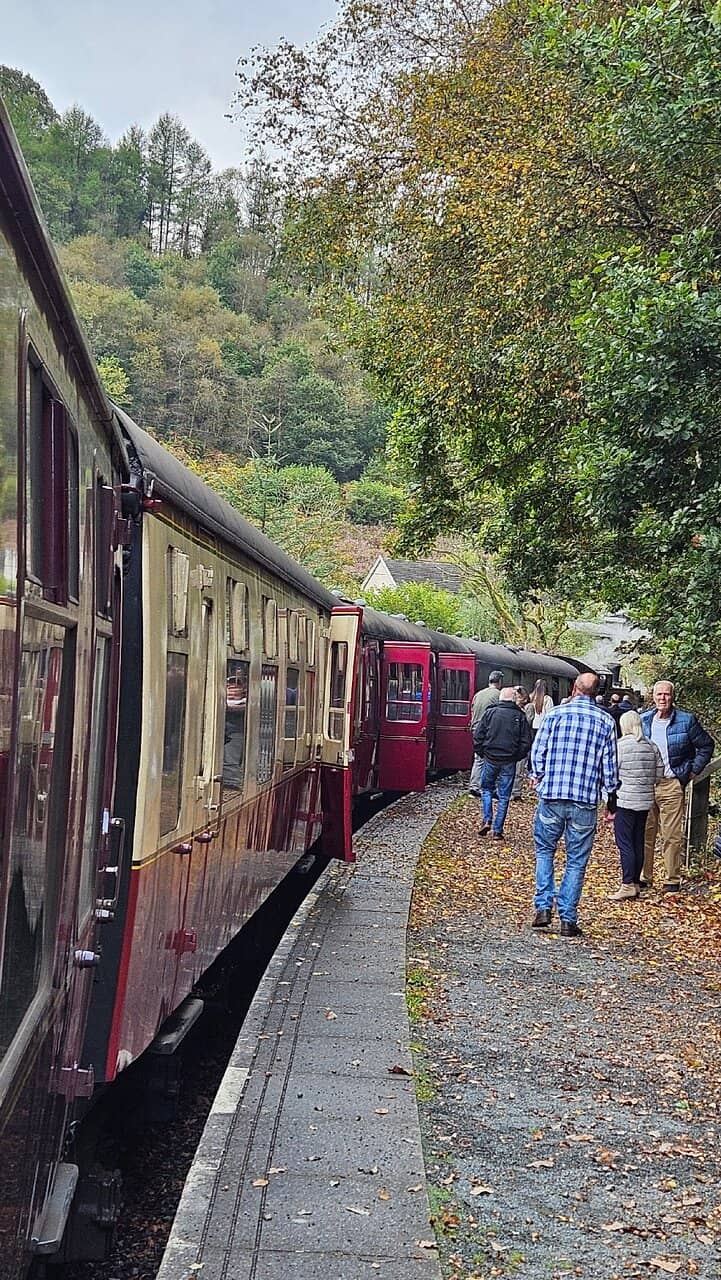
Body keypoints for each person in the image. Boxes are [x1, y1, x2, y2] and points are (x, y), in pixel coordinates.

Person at [530, 672, 619, 938]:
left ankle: (543, 907)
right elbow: (610, 767)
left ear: (574, 689)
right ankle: (568, 919)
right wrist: (611, 798)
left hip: (552, 795)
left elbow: (538, 751)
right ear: (596, 692)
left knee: (545, 851)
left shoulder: (555, 715)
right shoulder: (606, 721)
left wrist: (538, 775)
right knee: (576, 861)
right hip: (584, 799)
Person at [640, 681, 714, 892]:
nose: (662, 698)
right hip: (647, 784)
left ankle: (671, 879)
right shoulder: (644, 720)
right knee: (645, 832)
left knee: (671, 834)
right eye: (659, 694)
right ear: (653, 696)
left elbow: (706, 745)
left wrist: (692, 771)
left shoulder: (686, 720)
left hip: (671, 783)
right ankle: (644, 876)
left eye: (666, 694)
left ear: (673, 697)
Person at [606, 710, 664, 901]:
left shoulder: (620, 746)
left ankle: (627, 884)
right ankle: (636, 882)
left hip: (625, 800)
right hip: (645, 801)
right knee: (638, 840)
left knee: (624, 842)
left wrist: (609, 797)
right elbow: (659, 774)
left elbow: (611, 774)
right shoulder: (651, 746)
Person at [473, 688, 532, 840]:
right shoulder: (520, 716)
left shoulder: (490, 713)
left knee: (486, 789)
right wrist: (516, 756)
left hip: (490, 758)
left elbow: (478, 735)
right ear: (513, 699)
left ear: (500, 698)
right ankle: (498, 831)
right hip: (509, 761)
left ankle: (487, 819)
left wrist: (482, 752)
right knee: (504, 796)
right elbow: (526, 741)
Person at [468, 671, 504, 796]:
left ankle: (474, 785)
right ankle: (487, 786)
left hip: (476, 728)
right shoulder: (498, 695)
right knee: (491, 759)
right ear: (500, 681)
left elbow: (472, 710)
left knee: (478, 758)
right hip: (488, 730)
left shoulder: (478, 694)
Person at [511, 687, 534, 800]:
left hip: (522, 740)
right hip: (513, 740)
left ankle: (516, 792)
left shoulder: (529, 707)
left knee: (519, 769)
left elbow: (528, 721)